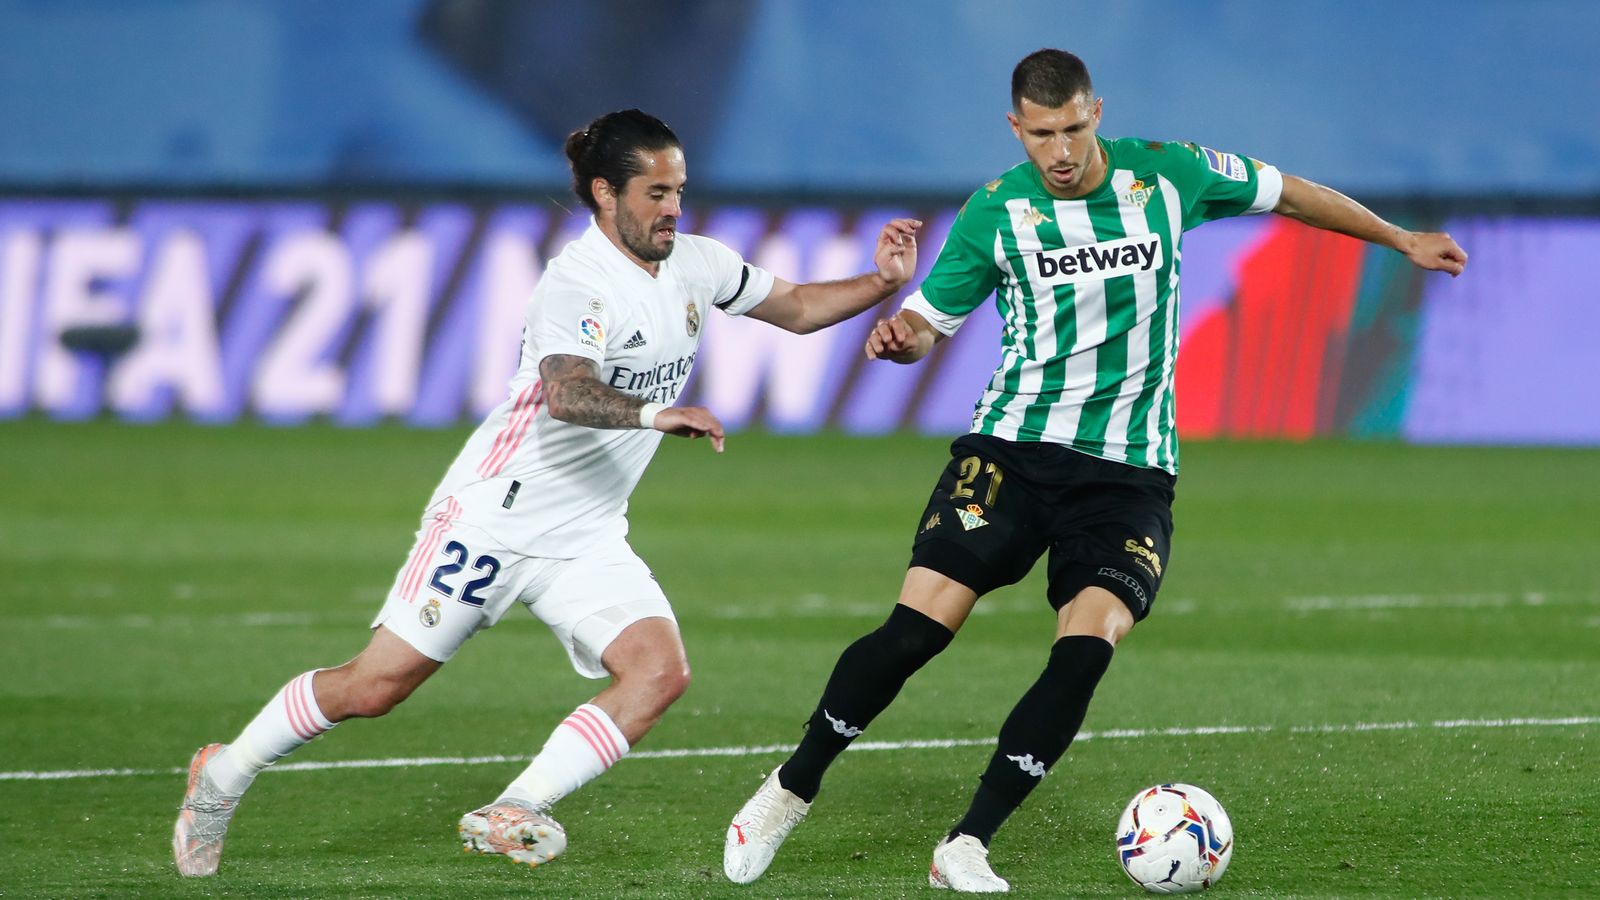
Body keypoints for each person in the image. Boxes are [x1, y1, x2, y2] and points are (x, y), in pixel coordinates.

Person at [723, 49, 1467, 893]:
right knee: (917, 630)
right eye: (1042, 135)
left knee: (1085, 650)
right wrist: (903, 339)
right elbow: (930, 323)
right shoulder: (995, 212)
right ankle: (789, 789)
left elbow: (1289, 192)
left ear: (1097, 112)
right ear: (1016, 129)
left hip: (1129, 472)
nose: (1061, 151)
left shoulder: (1170, 176)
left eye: (1074, 129)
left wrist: (1400, 237)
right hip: (1012, 451)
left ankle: (967, 843)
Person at [173, 108, 921, 878]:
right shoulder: (577, 282)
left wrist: (883, 282)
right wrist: (656, 414)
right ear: (606, 193)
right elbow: (567, 392)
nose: (673, 208)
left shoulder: (698, 264)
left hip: (587, 532)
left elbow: (796, 307)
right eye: (656, 193)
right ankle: (222, 775)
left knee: (659, 672)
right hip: (494, 516)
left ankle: (517, 806)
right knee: (374, 687)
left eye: (679, 190)